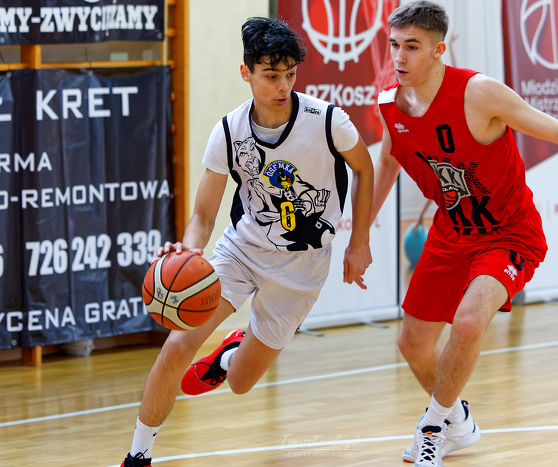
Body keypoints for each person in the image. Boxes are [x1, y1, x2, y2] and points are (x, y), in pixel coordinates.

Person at [369, 3, 558, 467]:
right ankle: (457, 422)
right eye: (394, 45)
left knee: (469, 321)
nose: (400, 57)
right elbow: (387, 165)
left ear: (439, 50)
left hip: (509, 232)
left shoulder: (478, 93)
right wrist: (360, 235)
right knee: (412, 344)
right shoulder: (391, 104)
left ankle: (431, 427)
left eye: (412, 46)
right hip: (451, 232)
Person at [120, 16, 373, 467]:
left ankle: (229, 353)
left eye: (290, 74)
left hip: (302, 268)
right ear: (246, 72)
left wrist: (359, 242)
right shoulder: (228, 132)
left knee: (240, 383)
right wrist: (189, 252)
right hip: (241, 251)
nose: (283, 86)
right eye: (271, 75)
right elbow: (203, 215)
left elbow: (365, 168)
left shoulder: (328, 122)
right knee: (177, 346)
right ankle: (138, 455)